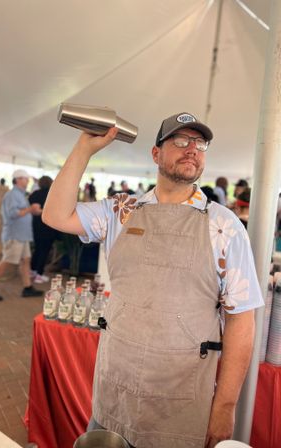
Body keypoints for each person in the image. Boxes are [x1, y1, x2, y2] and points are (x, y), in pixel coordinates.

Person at [42, 112, 264, 448]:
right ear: (156, 153)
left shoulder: (224, 225)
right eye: (180, 140)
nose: (192, 149)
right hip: (115, 391)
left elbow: (241, 320)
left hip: (181, 402)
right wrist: (84, 150)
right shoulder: (122, 210)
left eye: (200, 143)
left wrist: (225, 407)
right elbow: (55, 215)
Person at [0, 169, 44, 301]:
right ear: (18, 180)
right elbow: (12, 214)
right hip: (14, 235)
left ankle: (27, 288)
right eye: (25, 178)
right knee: (7, 260)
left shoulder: (20, 195)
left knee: (25, 260)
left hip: (22, 235)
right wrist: (30, 209)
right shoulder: (12, 195)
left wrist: (33, 211)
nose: (27, 181)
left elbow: (22, 212)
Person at [29, 175, 59, 283]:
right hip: (48, 226)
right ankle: (39, 274)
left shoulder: (34, 194)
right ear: (51, 183)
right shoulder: (53, 195)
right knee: (44, 251)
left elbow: (31, 208)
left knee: (37, 248)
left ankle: (32, 270)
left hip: (36, 225)